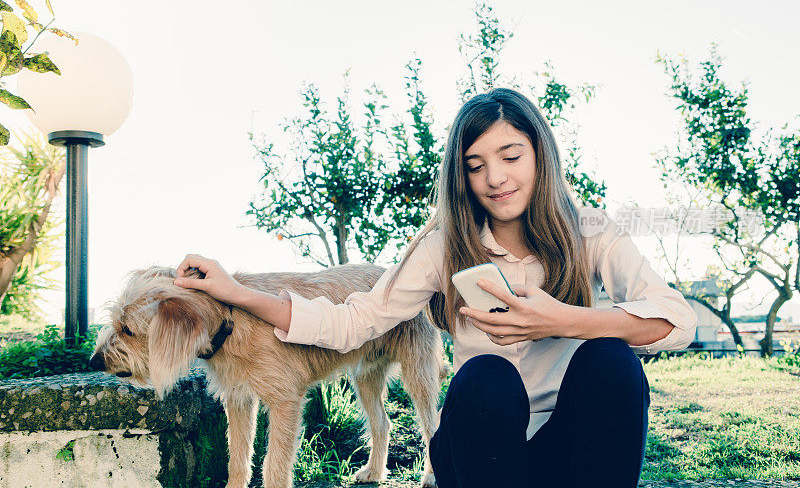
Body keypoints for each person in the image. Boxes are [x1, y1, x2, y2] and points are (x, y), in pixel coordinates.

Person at [174, 87, 698, 488]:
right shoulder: (444, 243)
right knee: (485, 378)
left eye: (511, 156)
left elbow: (678, 321)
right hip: (480, 450)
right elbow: (351, 321)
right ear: (461, 175)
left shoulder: (590, 230)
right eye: (476, 166)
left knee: (611, 362)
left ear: (541, 153)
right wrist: (236, 292)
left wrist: (562, 320)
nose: (495, 178)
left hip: (566, 450)